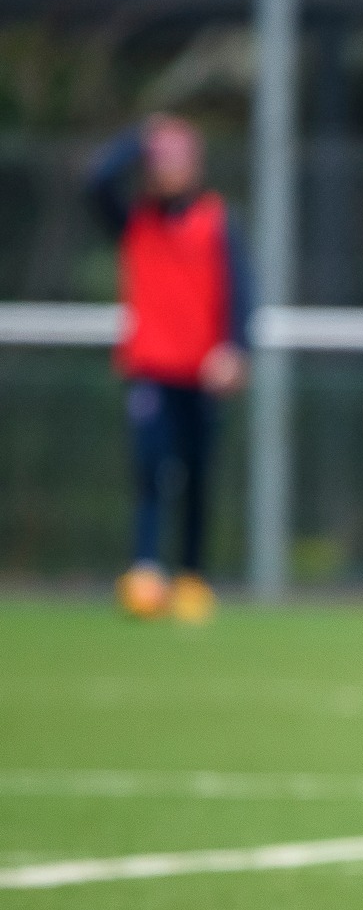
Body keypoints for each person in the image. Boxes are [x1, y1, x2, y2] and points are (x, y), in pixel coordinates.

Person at [87, 114, 250, 624]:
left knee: (199, 473)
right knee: (150, 469)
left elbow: (241, 290)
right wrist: (139, 140)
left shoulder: (216, 220)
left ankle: (192, 577)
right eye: (161, 162)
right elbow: (95, 179)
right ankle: (145, 570)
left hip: (201, 369)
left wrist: (235, 347)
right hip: (151, 367)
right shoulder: (136, 221)